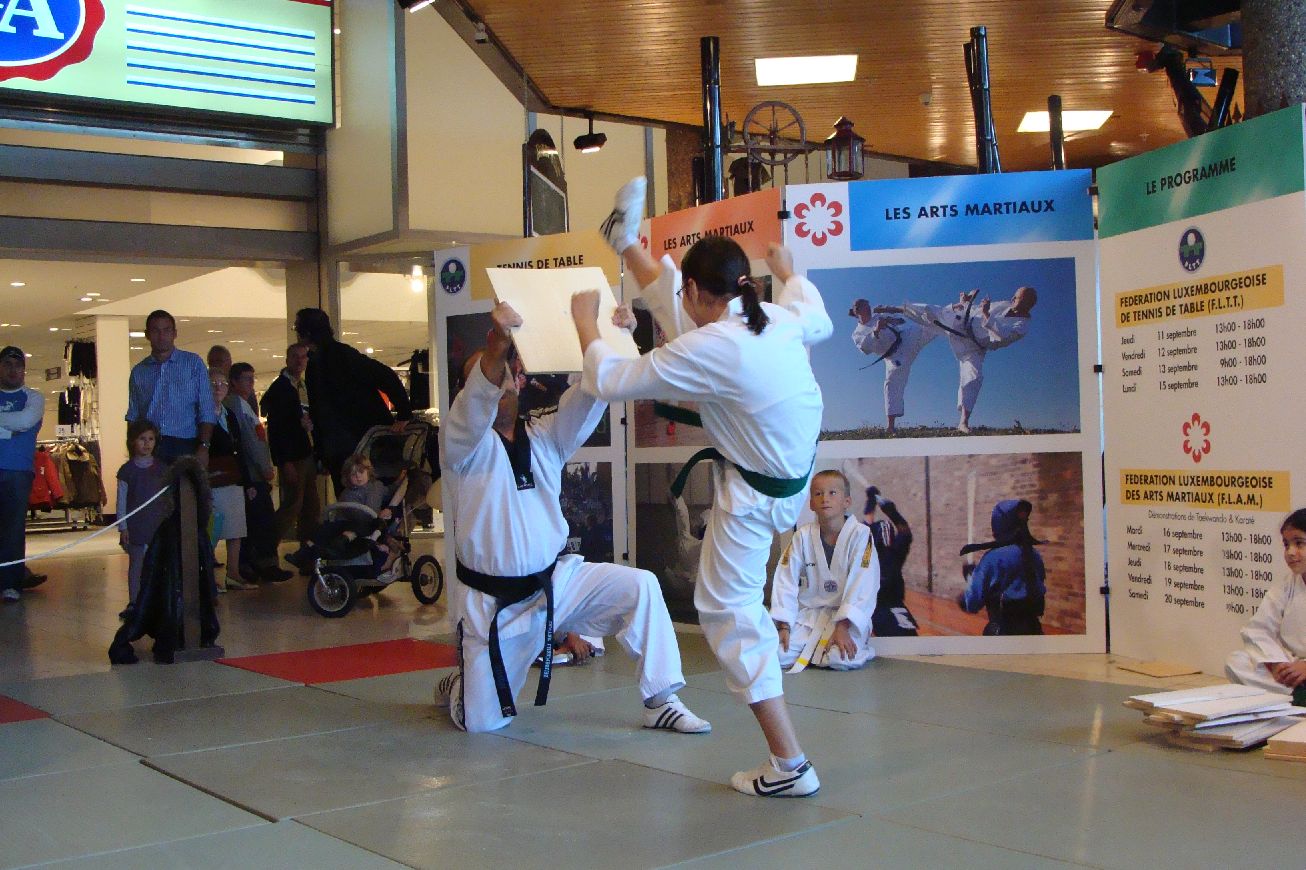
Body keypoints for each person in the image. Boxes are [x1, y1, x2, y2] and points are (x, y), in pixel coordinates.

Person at [574, 176, 832, 798]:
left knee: (728, 614)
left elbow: (609, 381)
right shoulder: (777, 317)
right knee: (685, 328)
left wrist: (587, 325)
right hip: (785, 476)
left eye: (685, 291)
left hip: (755, 500)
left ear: (696, 288)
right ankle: (623, 240)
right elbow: (816, 315)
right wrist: (789, 272)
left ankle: (790, 765)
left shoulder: (715, 346)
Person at [437, 299, 709, 739]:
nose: (500, 380)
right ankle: (460, 686)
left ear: (519, 381)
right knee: (482, 723)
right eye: (488, 374)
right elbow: (475, 403)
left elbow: (589, 394)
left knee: (640, 586)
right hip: (494, 608)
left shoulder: (545, 434)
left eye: (506, 371)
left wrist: (616, 337)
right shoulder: (460, 446)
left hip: (555, 583)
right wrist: (498, 344)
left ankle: (661, 701)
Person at [876, 286, 1036, 432]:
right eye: (1014, 296)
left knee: (974, 377)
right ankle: (892, 308)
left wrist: (986, 313)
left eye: (1017, 298)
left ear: (1028, 304)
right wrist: (966, 304)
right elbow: (977, 310)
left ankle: (963, 423)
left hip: (974, 346)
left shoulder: (1022, 326)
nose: (1012, 299)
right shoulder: (1005, 304)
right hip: (962, 323)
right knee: (930, 311)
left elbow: (1002, 336)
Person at [293, 308, 412, 496]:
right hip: (349, 445)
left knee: (362, 499)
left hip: (357, 444)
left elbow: (384, 376)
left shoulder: (335, 357)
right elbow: (385, 376)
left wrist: (404, 413)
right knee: (359, 499)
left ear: (306, 332)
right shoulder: (326, 359)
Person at [771, 470, 879, 671]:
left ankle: (860, 648)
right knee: (776, 655)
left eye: (832, 493)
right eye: (818, 494)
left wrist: (843, 626)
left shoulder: (861, 535)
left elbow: (864, 583)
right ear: (811, 503)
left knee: (839, 658)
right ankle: (817, 650)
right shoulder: (802, 537)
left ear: (847, 501)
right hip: (810, 616)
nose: (825, 499)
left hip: (847, 619)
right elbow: (785, 579)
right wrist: (784, 625)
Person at [1225, 509, 1306, 703]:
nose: (1290, 552)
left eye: (1299, 543)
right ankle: (1297, 696)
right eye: (1286, 545)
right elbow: (1257, 630)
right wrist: (1276, 664)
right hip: (1293, 668)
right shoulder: (1287, 585)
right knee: (1237, 661)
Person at [126, 310, 216, 465]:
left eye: (166, 330)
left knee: (185, 481)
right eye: (156, 331)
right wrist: (132, 452)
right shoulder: (139, 371)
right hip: (150, 446)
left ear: (175, 333)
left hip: (186, 443)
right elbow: (134, 415)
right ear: (147, 334)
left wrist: (204, 446)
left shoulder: (193, 364)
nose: (161, 336)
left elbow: (206, 408)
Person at [227, 363, 290, 583]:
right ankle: (262, 563)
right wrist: (264, 467)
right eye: (246, 379)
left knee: (258, 520)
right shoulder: (236, 405)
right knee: (261, 520)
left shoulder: (244, 404)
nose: (251, 383)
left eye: (252, 378)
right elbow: (249, 440)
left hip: (255, 470)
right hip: (253, 473)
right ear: (234, 381)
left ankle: (257, 563)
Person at [958, 499, 1047, 635]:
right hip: (1034, 630)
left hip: (1004, 633)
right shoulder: (1034, 554)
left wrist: (969, 583)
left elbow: (972, 602)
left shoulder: (993, 558)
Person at [849, 299, 938, 435]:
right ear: (857, 311)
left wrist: (889, 315)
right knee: (891, 385)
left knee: (932, 324)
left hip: (907, 339)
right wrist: (876, 330)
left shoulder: (878, 315)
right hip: (893, 357)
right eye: (865, 307)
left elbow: (900, 321)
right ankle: (891, 427)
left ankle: (953, 317)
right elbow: (865, 348)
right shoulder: (857, 333)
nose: (869, 309)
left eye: (868, 306)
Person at [261, 343, 319, 547]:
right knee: (293, 504)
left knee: (310, 505)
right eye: (295, 356)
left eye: (303, 357)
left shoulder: (302, 386)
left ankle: (307, 549)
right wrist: (284, 462)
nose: (300, 361)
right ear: (287, 360)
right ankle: (266, 547)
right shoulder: (281, 389)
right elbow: (277, 430)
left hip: (306, 452)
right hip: (294, 456)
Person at [0, 346, 43, 603]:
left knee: (13, 529)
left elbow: (26, 422)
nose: (13, 370)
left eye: (18, 365)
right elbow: (16, 424)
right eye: (7, 364)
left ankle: (11, 583)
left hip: (18, 471)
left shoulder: (33, 398)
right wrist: (9, 429)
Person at [115, 419, 169, 619]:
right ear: (133, 442)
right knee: (136, 566)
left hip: (158, 526)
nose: (147, 443)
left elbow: (167, 499)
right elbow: (121, 501)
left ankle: (157, 601)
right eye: (142, 439)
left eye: (151, 439)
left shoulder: (163, 469)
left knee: (158, 566)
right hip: (136, 526)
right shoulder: (127, 471)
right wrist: (123, 527)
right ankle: (134, 602)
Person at [206, 368, 255, 592]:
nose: (218, 388)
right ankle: (206, 576)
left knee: (236, 529)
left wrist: (247, 481)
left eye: (222, 384)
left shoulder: (229, 415)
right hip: (213, 479)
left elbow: (240, 449)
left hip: (233, 477)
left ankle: (233, 573)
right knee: (212, 529)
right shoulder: (202, 416)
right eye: (213, 384)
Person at [863, 486, 920, 637]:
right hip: (894, 606)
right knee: (909, 639)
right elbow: (905, 532)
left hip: (881, 609)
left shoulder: (867, 554)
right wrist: (892, 512)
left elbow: (866, 527)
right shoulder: (895, 553)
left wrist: (870, 502)